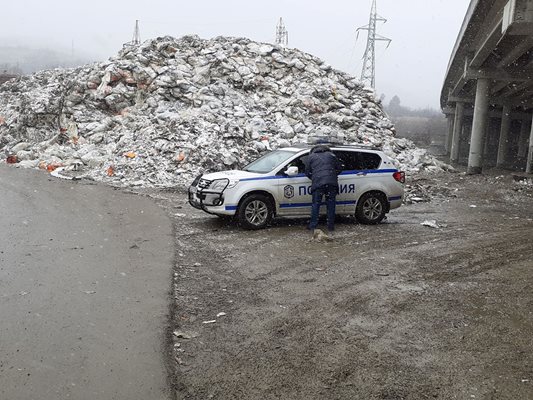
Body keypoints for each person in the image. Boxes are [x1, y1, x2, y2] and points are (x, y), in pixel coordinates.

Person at [305, 144, 343, 233]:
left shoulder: (311, 157)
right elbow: (340, 168)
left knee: (316, 204)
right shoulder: (331, 155)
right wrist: (332, 175)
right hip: (331, 184)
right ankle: (330, 226)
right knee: (331, 205)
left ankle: (313, 226)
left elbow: (307, 172)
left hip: (318, 184)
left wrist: (315, 177)